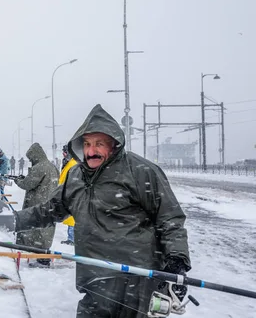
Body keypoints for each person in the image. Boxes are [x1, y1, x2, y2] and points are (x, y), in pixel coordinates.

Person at [16, 104, 191, 317]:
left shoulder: (141, 171)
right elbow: (48, 210)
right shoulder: (75, 177)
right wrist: (11, 220)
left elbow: (170, 218)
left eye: (99, 144)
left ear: (114, 144)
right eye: (87, 144)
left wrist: (177, 262)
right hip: (95, 278)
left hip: (139, 279)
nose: (91, 151)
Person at [14, 143, 59, 266]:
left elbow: (27, 184)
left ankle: (40, 257)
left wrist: (18, 180)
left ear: (35, 156)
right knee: (46, 229)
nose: (30, 161)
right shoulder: (51, 166)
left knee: (36, 230)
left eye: (31, 158)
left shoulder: (39, 167)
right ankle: (44, 254)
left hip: (38, 202)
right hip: (50, 202)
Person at [59, 144, 76, 246]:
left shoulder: (72, 163)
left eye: (64, 152)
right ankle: (71, 238)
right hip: (68, 191)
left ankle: (72, 239)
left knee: (72, 217)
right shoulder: (68, 162)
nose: (63, 154)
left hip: (72, 192)